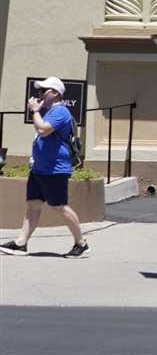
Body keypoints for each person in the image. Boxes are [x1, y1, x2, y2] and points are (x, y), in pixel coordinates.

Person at [0, 77, 90, 258]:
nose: (39, 94)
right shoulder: (47, 111)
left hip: (55, 170)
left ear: (55, 93)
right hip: (40, 168)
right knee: (33, 205)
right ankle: (21, 243)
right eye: (39, 91)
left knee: (60, 207)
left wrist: (34, 111)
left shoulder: (60, 112)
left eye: (44, 90)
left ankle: (81, 243)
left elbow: (43, 130)